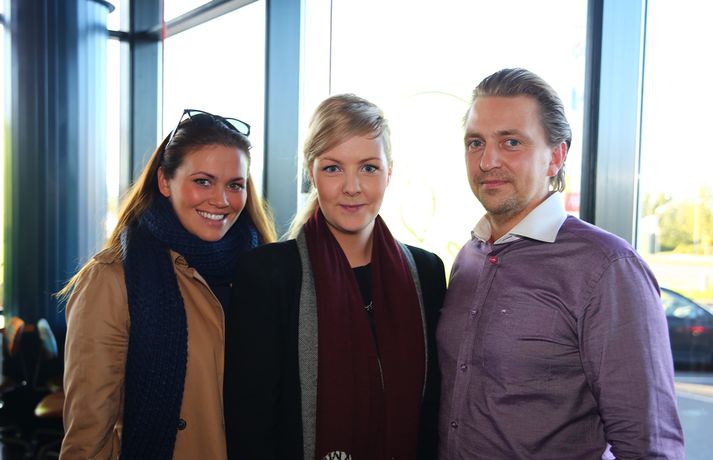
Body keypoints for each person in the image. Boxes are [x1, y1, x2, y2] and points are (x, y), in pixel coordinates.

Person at [437, 68, 685, 459]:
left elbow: (648, 444)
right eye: (475, 143)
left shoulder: (608, 267)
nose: (487, 161)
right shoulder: (469, 257)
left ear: (555, 156)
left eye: (511, 142)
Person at [224, 94, 445, 460]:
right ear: (311, 173)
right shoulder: (266, 275)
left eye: (369, 168)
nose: (352, 187)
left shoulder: (428, 272)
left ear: (390, 173)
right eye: (333, 168)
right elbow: (249, 428)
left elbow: (433, 416)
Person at [59, 109, 276, 459]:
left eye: (234, 185)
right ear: (164, 181)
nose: (221, 200)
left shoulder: (264, 271)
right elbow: (88, 438)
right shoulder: (112, 280)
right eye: (203, 181)